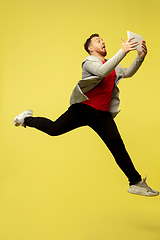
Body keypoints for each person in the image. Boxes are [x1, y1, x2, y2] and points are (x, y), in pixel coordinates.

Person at [14, 33, 159, 196]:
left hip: (102, 116)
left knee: (118, 148)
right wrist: (123, 51)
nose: (103, 42)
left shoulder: (112, 64)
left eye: (103, 40)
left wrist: (140, 57)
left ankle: (136, 183)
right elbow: (102, 72)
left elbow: (127, 73)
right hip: (83, 110)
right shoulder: (89, 61)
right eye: (98, 41)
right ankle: (26, 119)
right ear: (91, 48)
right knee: (53, 129)